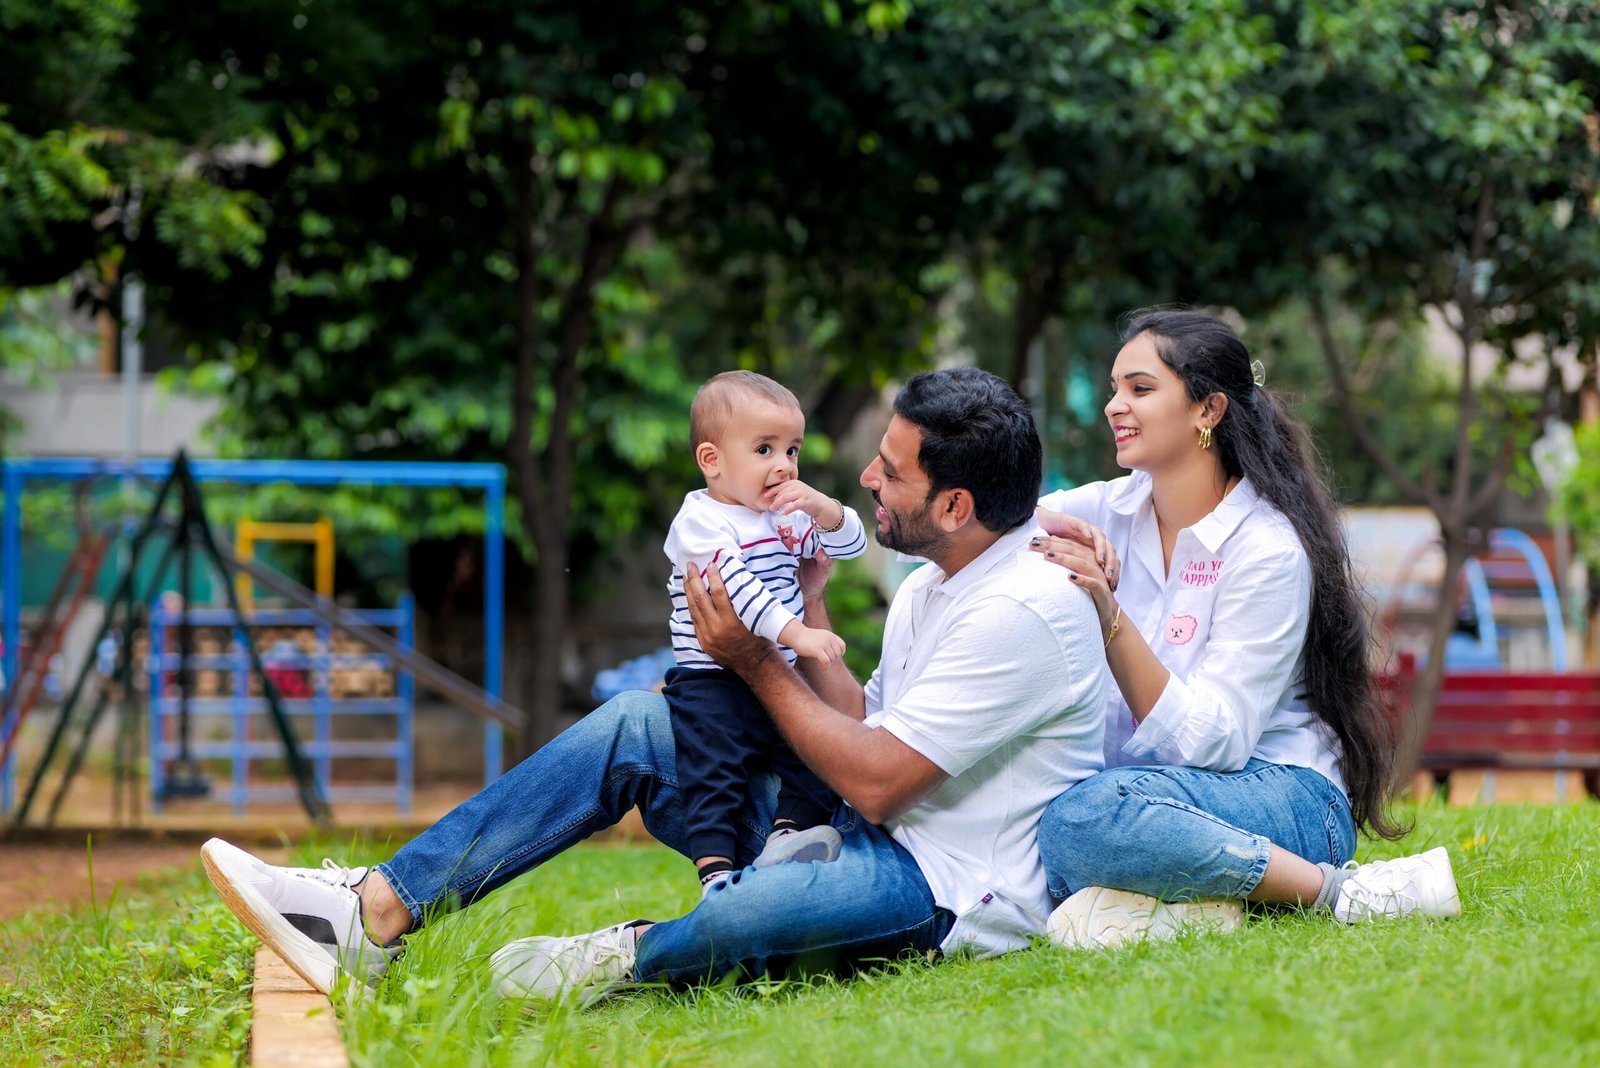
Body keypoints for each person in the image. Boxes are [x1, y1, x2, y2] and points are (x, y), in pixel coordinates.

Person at [199, 367, 1107, 1003]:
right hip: (848, 826)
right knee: (641, 720)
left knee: (762, 909)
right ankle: (376, 911)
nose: (864, 478)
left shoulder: (1023, 610)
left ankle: (625, 955)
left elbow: (876, 780)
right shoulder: (930, 585)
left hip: (941, 889)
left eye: (891, 471)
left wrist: (756, 660)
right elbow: (863, 729)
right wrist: (810, 614)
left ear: (954, 506)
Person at [1026, 308, 1460, 949]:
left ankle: (1339, 893)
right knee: (1061, 813)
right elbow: (984, 521)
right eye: (1115, 388)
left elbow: (1217, 742)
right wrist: (1045, 529)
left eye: (1140, 389)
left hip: (1282, 794)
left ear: (1208, 410)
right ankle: (1198, 905)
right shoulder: (1104, 510)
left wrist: (1110, 615)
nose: (1115, 406)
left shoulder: (1266, 549)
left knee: (1081, 818)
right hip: (1153, 795)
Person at [662, 370, 868, 896]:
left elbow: (849, 547)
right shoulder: (700, 521)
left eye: (792, 450)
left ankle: (788, 835)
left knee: (817, 750)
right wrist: (797, 634)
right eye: (764, 449)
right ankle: (714, 872)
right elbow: (735, 589)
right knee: (711, 772)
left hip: (775, 672)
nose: (784, 464)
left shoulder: (782, 516)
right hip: (712, 679)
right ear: (712, 460)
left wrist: (824, 509)